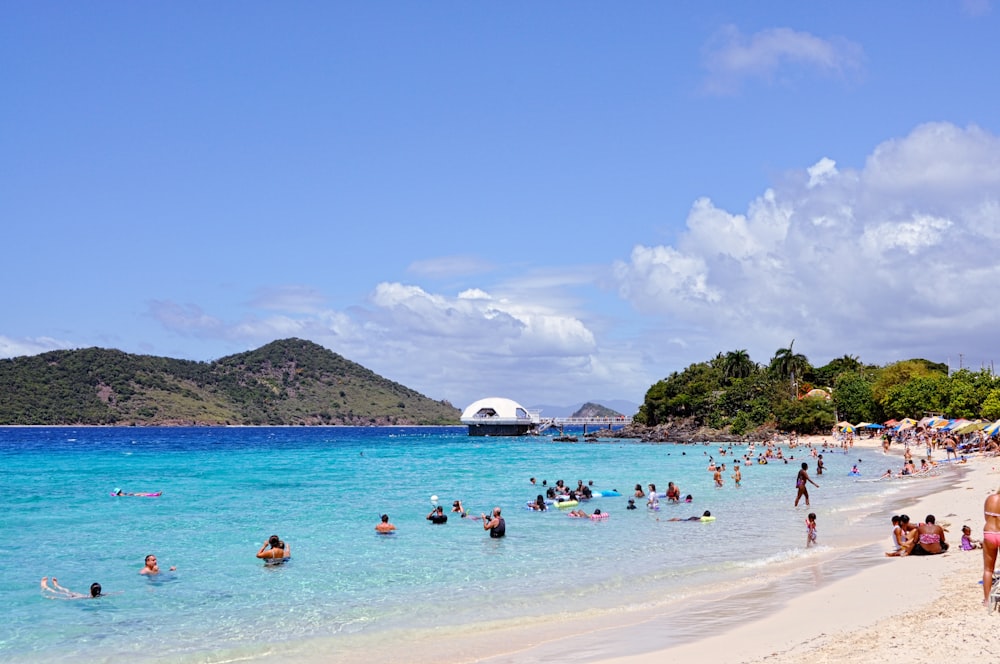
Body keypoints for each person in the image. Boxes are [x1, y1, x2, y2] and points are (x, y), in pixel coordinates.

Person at [982, 488, 1000, 606]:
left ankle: (987, 600)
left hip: (989, 533)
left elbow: (986, 518)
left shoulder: (989, 499)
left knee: (988, 569)